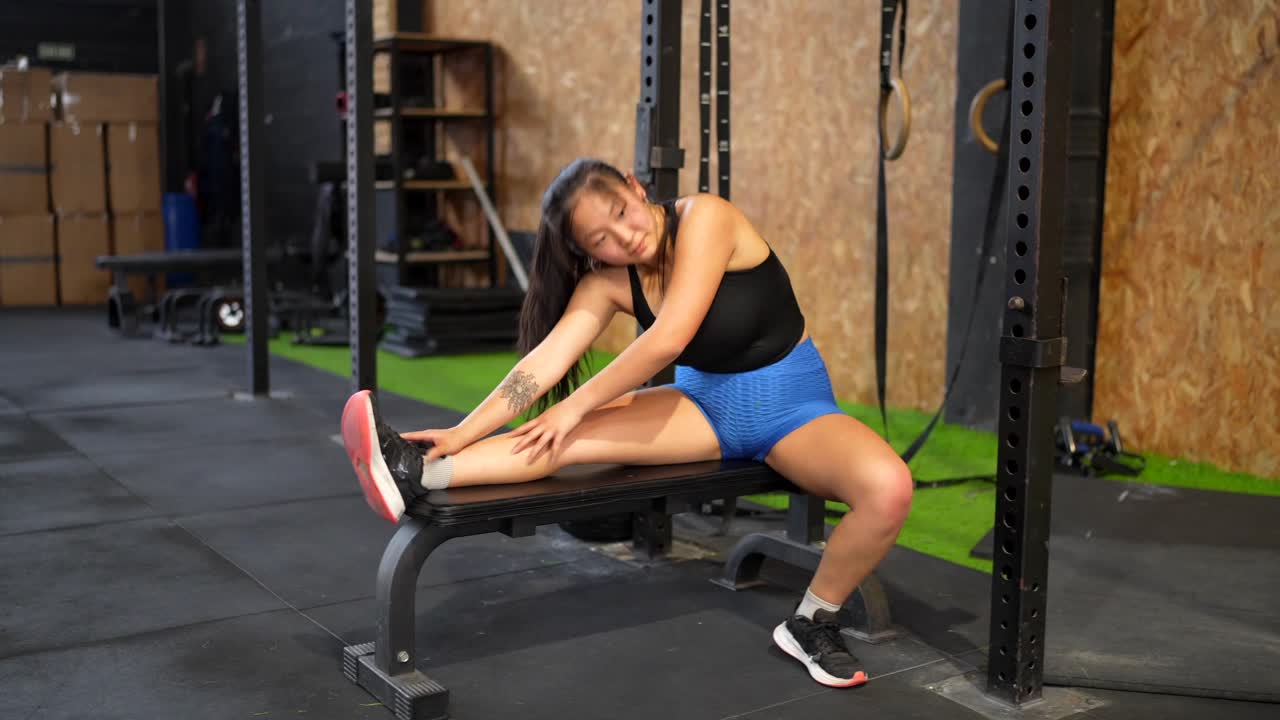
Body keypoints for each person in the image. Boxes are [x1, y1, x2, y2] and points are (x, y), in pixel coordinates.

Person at [340, 158, 914, 689]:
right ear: (587, 254)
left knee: (888, 490)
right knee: (559, 438)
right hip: (703, 407)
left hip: (791, 405)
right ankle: (416, 470)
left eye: (621, 212)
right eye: (601, 241)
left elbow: (670, 337)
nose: (624, 236)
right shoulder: (608, 284)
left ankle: (813, 621)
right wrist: (462, 432)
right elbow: (539, 367)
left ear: (637, 189)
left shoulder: (707, 218)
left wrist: (579, 403)